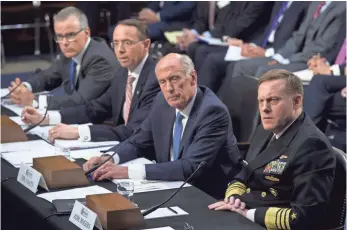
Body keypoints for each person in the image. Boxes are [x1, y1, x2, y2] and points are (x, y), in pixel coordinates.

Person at [83, 53, 242, 199]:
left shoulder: (212, 112)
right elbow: (139, 142)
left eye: (174, 79)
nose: (169, 89)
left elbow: (190, 168)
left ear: (192, 78)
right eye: (162, 82)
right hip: (170, 185)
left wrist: (125, 172)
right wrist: (109, 158)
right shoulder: (161, 101)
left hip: (208, 194)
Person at [209, 69, 336, 230]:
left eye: (273, 100)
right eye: (261, 101)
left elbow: (305, 216)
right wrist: (234, 197)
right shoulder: (265, 128)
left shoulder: (312, 145)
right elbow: (245, 172)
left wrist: (248, 214)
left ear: (296, 102)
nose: (264, 108)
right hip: (244, 211)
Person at [21, 19, 160, 143]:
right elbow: (94, 109)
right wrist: (47, 118)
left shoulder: (156, 79)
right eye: (116, 43)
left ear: (146, 45)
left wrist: (78, 132)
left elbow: (133, 130)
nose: (120, 50)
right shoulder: (122, 74)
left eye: (127, 43)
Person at [8, 6, 120, 110]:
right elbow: (48, 76)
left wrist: (34, 101)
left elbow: (80, 100)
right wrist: (25, 87)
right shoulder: (71, 51)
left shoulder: (100, 60)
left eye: (71, 35)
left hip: (103, 123)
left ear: (86, 33)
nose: (64, 42)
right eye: (59, 36)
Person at [198, 1, 309, 93]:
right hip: (259, 46)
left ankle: (224, 113)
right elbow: (267, 31)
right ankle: (202, 107)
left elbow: (295, 40)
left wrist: (267, 53)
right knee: (208, 55)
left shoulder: (304, 4)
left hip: (277, 52)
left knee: (230, 64)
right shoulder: (281, 2)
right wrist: (252, 45)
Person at [227, 2, 345, 81]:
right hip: (292, 56)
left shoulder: (341, 8)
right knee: (240, 66)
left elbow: (322, 47)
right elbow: (298, 36)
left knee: (265, 71)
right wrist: (280, 56)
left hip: (309, 62)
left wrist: (288, 59)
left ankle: (258, 117)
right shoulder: (316, 3)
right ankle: (233, 114)